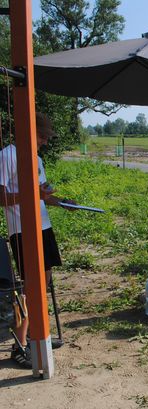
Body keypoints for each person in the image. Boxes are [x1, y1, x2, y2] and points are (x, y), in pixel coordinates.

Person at [0, 112, 76, 368]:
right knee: (30, 288)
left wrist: (62, 202)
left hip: (43, 227)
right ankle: (19, 345)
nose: (45, 141)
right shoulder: (8, 156)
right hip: (23, 230)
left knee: (43, 285)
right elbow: (2, 197)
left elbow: (40, 195)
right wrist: (33, 193)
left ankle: (37, 336)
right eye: (42, 136)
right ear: (29, 131)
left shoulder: (37, 158)